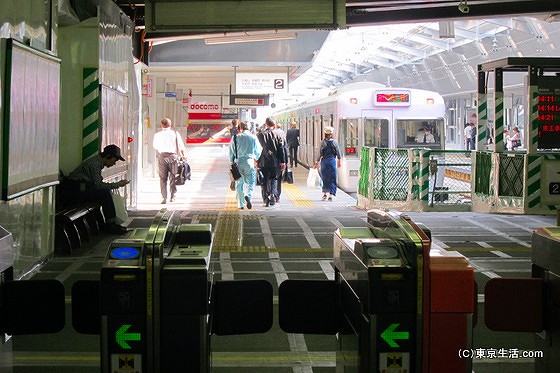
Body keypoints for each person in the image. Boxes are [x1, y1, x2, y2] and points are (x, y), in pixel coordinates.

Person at [66, 144, 130, 234]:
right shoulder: (94, 164)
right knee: (104, 193)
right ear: (108, 156)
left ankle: (109, 223)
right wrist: (117, 184)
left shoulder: (97, 163)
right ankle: (110, 224)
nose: (114, 163)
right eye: (114, 160)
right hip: (74, 193)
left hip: (78, 191)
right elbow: (98, 185)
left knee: (103, 193)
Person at [153, 117, 186, 204]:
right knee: (173, 177)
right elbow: (181, 147)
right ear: (170, 125)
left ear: (161, 125)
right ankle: (173, 196)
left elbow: (155, 146)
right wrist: (183, 156)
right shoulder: (175, 134)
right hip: (173, 157)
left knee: (163, 178)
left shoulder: (157, 135)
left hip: (162, 157)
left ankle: (164, 197)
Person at [229, 121, 262, 209]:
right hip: (250, 162)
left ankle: (241, 204)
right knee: (250, 182)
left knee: (239, 183)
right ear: (248, 128)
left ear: (240, 128)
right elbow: (259, 150)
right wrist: (255, 158)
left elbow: (231, 151)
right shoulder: (253, 137)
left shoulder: (235, 137)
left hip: (238, 162)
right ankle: (248, 196)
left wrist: (231, 161)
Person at [257, 117, 287, 207]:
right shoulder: (278, 134)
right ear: (274, 125)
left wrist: (257, 161)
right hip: (275, 162)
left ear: (266, 124)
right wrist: (283, 162)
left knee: (264, 180)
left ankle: (266, 199)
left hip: (263, 162)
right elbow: (281, 149)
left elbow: (257, 149)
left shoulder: (260, 135)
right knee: (274, 179)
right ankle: (273, 195)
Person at [313, 126, 342, 201]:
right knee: (332, 177)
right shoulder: (334, 142)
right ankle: (331, 195)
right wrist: (339, 161)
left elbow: (319, 153)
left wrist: (316, 162)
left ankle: (324, 194)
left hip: (324, 161)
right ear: (331, 134)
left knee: (324, 177)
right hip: (332, 161)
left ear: (325, 134)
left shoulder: (322, 142)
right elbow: (338, 152)